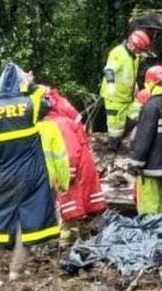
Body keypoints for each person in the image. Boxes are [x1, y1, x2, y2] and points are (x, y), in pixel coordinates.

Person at [0, 63, 59, 283]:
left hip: (4, 176)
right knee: (28, 221)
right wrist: (31, 85)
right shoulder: (31, 104)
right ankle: (16, 271)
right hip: (33, 176)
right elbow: (48, 102)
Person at [44, 88, 106, 245]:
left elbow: (70, 150)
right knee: (80, 210)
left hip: (74, 170)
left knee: (71, 211)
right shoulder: (61, 121)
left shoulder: (58, 124)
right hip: (79, 167)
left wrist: (68, 171)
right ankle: (84, 241)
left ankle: (67, 247)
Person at [127, 65, 162, 215]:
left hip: (150, 170)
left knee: (149, 212)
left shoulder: (150, 107)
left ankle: (151, 237)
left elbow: (143, 138)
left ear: (150, 82)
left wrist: (134, 164)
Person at [101, 29, 151, 152]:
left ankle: (121, 142)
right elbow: (109, 70)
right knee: (115, 128)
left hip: (127, 97)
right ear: (133, 44)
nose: (139, 52)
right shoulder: (118, 53)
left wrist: (134, 86)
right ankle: (112, 149)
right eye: (139, 49)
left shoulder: (134, 56)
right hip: (114, 97)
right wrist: (111, 84)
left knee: (141, 111)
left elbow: (129, 74)